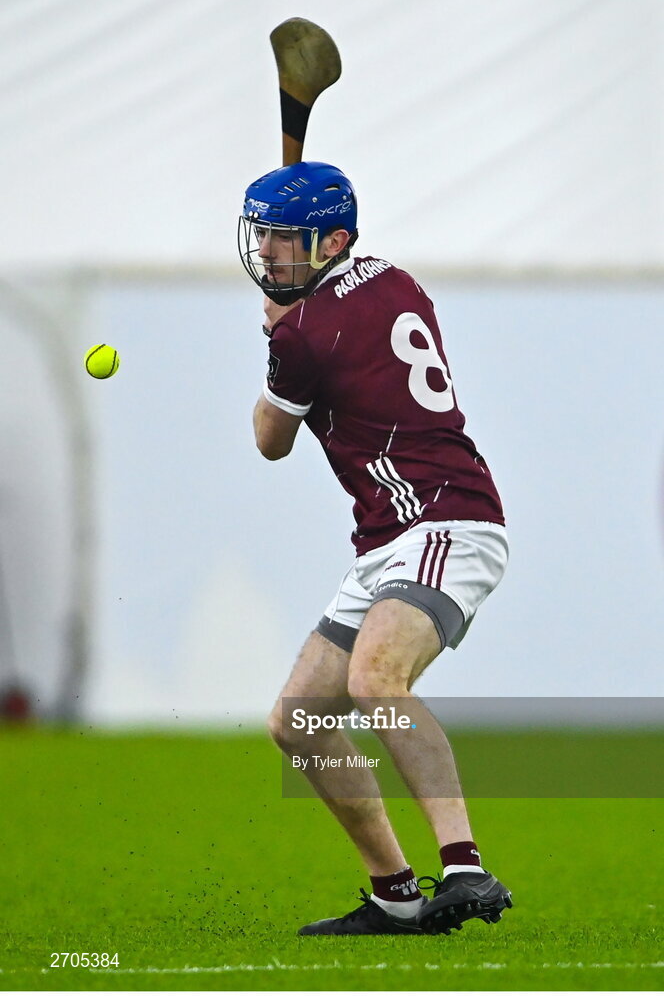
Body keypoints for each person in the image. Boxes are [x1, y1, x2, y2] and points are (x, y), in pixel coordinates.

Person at [238, 161, 513, 936]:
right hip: (390, 538)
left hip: (445, 521)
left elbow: (268, 440)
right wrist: (289, 320)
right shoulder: (390, 276)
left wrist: (274, 340)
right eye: (263, 235)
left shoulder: (302, 335)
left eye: (284, 240)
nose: (268, 253)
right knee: (299, 718)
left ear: (333, 240)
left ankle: (464, 865)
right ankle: (395, 893)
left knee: (375, 677)